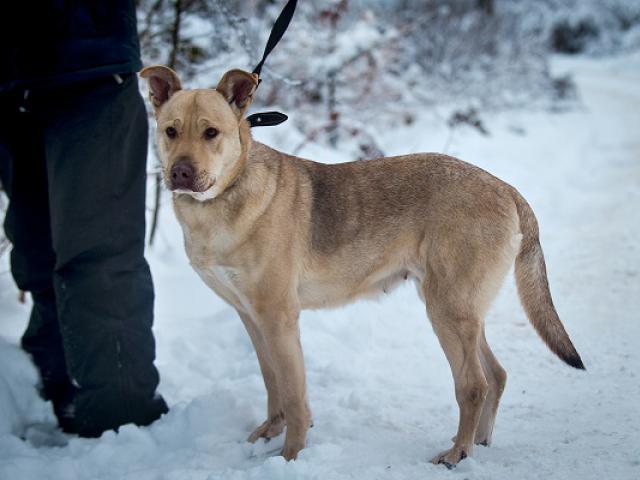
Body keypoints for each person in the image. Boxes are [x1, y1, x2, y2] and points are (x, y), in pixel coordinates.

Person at [0, 2, 168, 437]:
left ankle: (121, 413)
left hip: (91, 67)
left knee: (100, 254)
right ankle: (49, 389)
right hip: (9, 83)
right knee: (35, 250)